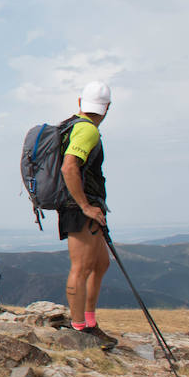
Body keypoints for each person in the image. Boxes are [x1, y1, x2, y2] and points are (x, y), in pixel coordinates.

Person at [59, 80, 116, 349]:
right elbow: (69, 167)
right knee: (81, 268)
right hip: (79, 207)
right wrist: (85, 205)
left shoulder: (74, 125)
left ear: (82, 102)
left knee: (100, 263)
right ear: (107, 108)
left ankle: (89, 323)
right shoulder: (87, 131)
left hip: (83, 207)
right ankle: (80, 329)